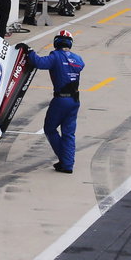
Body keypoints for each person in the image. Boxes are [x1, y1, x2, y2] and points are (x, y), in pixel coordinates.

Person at [29, 29, 85, 172]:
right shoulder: (78, 59)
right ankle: (67, 164)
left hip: (61, 100)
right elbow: (81, 66)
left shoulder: (55, 56)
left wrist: (28, 51)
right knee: (69, 133)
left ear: (56, 42)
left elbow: (39, 63)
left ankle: (66, 161)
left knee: (49, 128)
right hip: (74, 100)